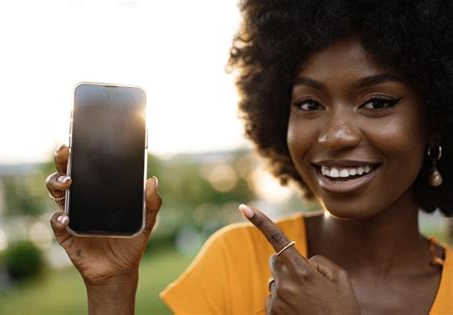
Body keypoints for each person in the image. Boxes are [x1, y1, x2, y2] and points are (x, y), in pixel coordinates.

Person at [46, 0, 453, 314]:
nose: (334, 135)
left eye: (377, 102)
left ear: (434, 119)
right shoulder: (235, 260)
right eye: (309, 104)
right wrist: (111, 284)